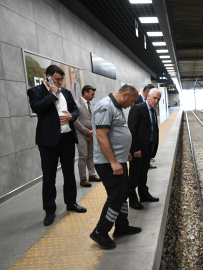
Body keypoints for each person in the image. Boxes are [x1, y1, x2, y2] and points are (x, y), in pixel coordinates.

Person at [27, 65, 86, 227]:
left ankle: (71, 203)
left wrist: (71, 116)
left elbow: (75, 110)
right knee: (49, 176)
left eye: (61, 79)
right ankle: (50, 210)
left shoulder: (66, 92)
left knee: (69, 173)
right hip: (48, 142)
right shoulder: (35, 92)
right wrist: (52, 94)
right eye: (57, 79)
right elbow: (37, 108)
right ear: (48, 77)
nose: (60, 82)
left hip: (67, 138)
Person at [90, 84, 141, 250]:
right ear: (125, 95)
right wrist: (113, 161)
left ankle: (122, 226)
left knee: (123, 192)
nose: (132, 105)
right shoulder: (105, 106)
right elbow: (101, 136)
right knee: (116, 196)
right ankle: (100, 231)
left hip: (118, 160)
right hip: (107, 163)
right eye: (132, 100)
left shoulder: (117, 106)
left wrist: (123, 153)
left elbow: (115, 133)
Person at [128, 88, 161, 210]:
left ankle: (144, 194)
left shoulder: (152, 111)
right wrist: (135, 148)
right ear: (148, 96)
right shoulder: (138, 108)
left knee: (143, 173)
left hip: (148, 148)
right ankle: (132, 199)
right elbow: (132, 130)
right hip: (138, 150)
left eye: (158, 99)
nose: (156, 101)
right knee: (134, 174)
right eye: (154, 98)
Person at [74, 85, 100, 188]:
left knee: (91, 155)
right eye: (92, 94)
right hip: (81, 134)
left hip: (92, 134)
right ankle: (83, 178)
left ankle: (92, 175)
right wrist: (86, 131)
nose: (93, 96)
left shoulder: (93, 104)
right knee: (83, 156)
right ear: (85, 93)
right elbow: (75, 120)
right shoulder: (76, 104)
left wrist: (94, 131)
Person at [134, 83, 157, 169]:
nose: (155, 101)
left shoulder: (152, 107)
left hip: (149, 136)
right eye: (154, 97)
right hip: (141, 137)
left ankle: (148, 162)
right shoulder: (137, 101)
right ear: (148, 93)